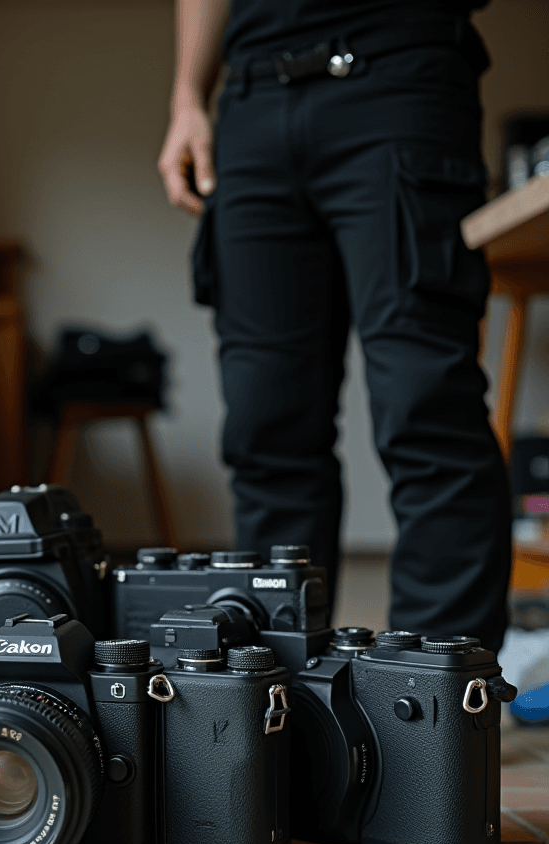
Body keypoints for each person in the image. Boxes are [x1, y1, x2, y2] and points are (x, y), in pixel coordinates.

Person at [158, 0, 512, 650]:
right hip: (252, 97)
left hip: (399, 75)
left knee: (424, 407)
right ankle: (274, 704)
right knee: (266, 428)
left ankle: (436, 716)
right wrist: (187, 99)